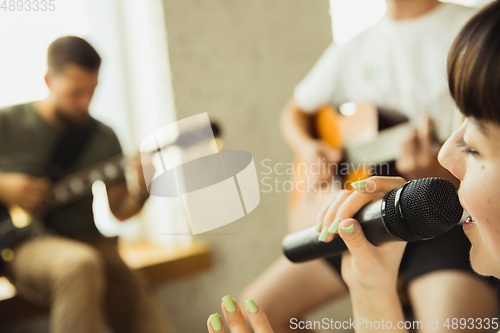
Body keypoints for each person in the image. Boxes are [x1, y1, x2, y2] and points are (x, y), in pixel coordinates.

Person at [204, 1, 500, 332]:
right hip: (370, 212)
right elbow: (295, 113)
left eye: (471, 144)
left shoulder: (478, 33)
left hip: (446, 214)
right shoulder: (355, 47)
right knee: (256, 311)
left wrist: (434, 172)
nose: (450, 151)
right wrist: (310, 149)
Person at [0, 36, 171, 333]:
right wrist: (5, 186)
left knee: (142, 308)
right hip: (23, 244)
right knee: (79, 265)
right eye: (75, 93)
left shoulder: (104, 136)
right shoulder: (8, 123)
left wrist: (143, 191)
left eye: (91, 92)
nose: (85, 103)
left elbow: (120, 211)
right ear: (49, 80)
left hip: (90, 241)